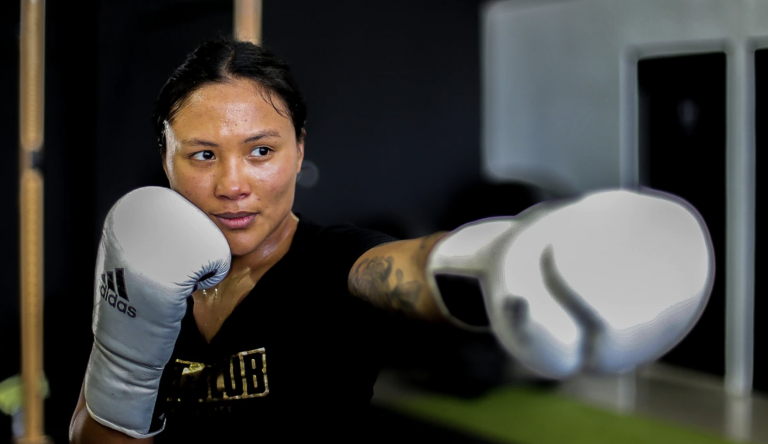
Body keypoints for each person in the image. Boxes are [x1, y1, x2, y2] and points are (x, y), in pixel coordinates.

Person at [69, 39, 714, 443]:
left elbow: (407, 268)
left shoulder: (336, 265)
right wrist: (122, 358)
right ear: (166, 161)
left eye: (260, 151)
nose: (232, 184)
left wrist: (504, 261)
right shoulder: (138, 268)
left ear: (299, 154)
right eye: (202, 154)